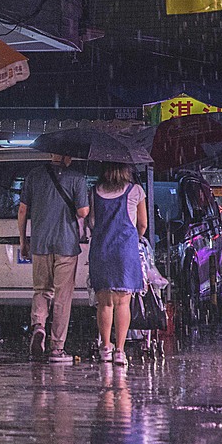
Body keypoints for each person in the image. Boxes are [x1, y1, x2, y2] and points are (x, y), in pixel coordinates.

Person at [18, 154, 89, 363]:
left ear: (51, 154)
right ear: (67, 156)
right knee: (62, 296)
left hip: (40, 243)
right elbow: (83, 211)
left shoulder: (34, 176)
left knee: (42, 290)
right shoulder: (77, 178)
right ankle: (57, 348)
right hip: (66, 244)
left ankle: (39, 325)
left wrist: (23, 241)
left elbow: (22, 210)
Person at [88, 163, 147, 365]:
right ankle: (120, 351)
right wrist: (134, 238)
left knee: (105, 303)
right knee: (122, 303)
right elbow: (143, 224)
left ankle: (106, 347)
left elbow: (92, 222)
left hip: (101, 251)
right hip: (125, 252)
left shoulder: (94, 191)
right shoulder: (136, 191)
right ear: (126, 169)